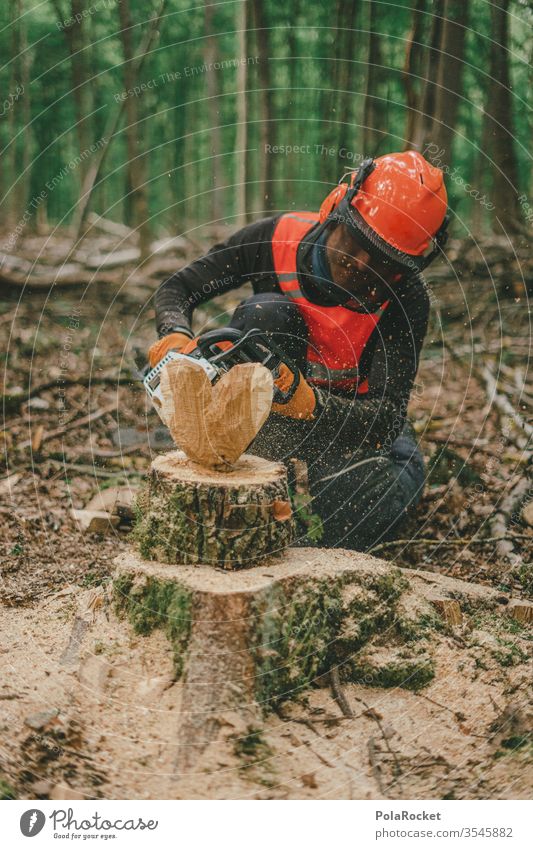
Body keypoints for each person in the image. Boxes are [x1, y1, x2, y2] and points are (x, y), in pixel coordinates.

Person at [148, 151, 448, 550]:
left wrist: (311, 404)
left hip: (345, 431)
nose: (359, 264)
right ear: (335, 209)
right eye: (355, 241)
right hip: (267, 419)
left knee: (382, 496)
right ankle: (258, 468)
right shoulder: (276, 238)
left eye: (380, 261)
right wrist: (174, 335)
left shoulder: (405, 298)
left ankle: (305, 512)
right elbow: (177, 289)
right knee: (266, 314)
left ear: (405, 267)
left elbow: (386, 418)